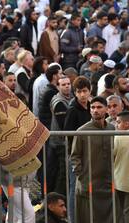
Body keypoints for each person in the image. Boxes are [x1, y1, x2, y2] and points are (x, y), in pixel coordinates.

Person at [71, 96, 115, 223]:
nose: (95, 110)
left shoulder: (111, 128)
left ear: (106, 109)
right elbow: (74, 156)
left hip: (107, 183)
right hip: (89, 184)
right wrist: (82, 175)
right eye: (93, 107)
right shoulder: (82, 131)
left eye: (99, 107)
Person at [63, 76, 91, 222]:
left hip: (90, 155)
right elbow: (68, 134)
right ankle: (73, 219)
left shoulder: (92, 106)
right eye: (79, 92)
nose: (82, 94)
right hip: (76, 155)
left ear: (89, 91)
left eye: (84, 91)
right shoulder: (73, 110)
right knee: (74, 188)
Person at [49, 76, 73, 195]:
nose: (67, 86)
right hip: (61, 143)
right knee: (64, 173)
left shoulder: (70, 98)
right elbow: (64, 125)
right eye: (63, 84)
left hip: (63, 142)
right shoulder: (59, 102)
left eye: (68, 83)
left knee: (60, 172)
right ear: (58, 87)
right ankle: (59, 199)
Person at [114, 111, 129, 223]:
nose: (116, 125)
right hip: (122, 181)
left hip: (121, 182)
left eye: (118, 122)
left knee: (124, 211)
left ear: (127, 123)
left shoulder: (118, 137)